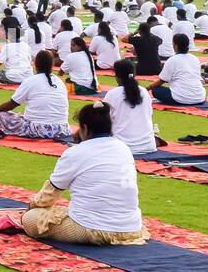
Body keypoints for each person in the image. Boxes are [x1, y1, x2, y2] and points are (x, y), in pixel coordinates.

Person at [18, 102, 150, 244]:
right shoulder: (123, 148)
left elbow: (50, 194)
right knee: (63, 211)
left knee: (30, 219)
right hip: (131, 228)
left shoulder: (75, 152)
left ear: (85, 129)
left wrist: (31, 208)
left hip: (92, 229)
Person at [0, 49, 73, 141]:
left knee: (1, 115)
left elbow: (11, 104)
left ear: (35, 64)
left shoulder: (31, 81)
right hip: (62, 129)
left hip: (38, 130)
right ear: (52, 65)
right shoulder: (60, 82)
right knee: (19, 116)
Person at [102, 59, 162, 156]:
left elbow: (104, 121)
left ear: (117, 76)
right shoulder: (144, 92)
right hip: (149, 146)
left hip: (122, 148)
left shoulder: (113, 94)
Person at [152, 35, 207, 106]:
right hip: (199, 98)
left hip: (179, 98)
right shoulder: (195, 59)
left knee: (156, 90)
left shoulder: (172, 60)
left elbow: (162, 80)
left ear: (176, 45)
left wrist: (147, 88)